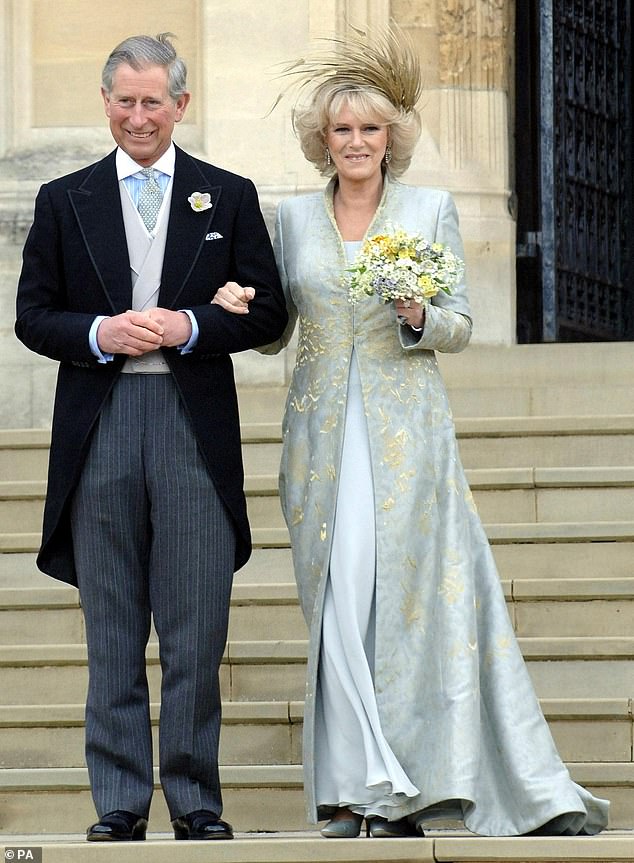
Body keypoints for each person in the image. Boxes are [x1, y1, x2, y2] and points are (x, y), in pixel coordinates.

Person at [212, 28, 609, 838]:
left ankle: (404, 791)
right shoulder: (288, 219)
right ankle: (352, 789)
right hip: (319, 440)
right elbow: (276, 333)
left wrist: (420, 314)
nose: (356, 142)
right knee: (339, 601)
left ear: (392, 135)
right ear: (322, 139)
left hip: (408, 439)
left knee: (406, 608)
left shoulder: (428, 209)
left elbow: (461, 323)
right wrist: (240, 314)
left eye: (370, 128)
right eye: (342, 129)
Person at [15, 33, 287, 842]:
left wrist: (192, 324)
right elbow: (33, 315)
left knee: (198, 623)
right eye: (125, 102)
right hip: (99, 425)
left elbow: (268, 310)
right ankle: (121, 801)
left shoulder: (226, 195)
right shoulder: (65, 199)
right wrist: (101, 330)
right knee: (111, 622)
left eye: (153, 102)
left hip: (190, 424)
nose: (139, 116)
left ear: (181, 104)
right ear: (105, 103)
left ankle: (197, 798)